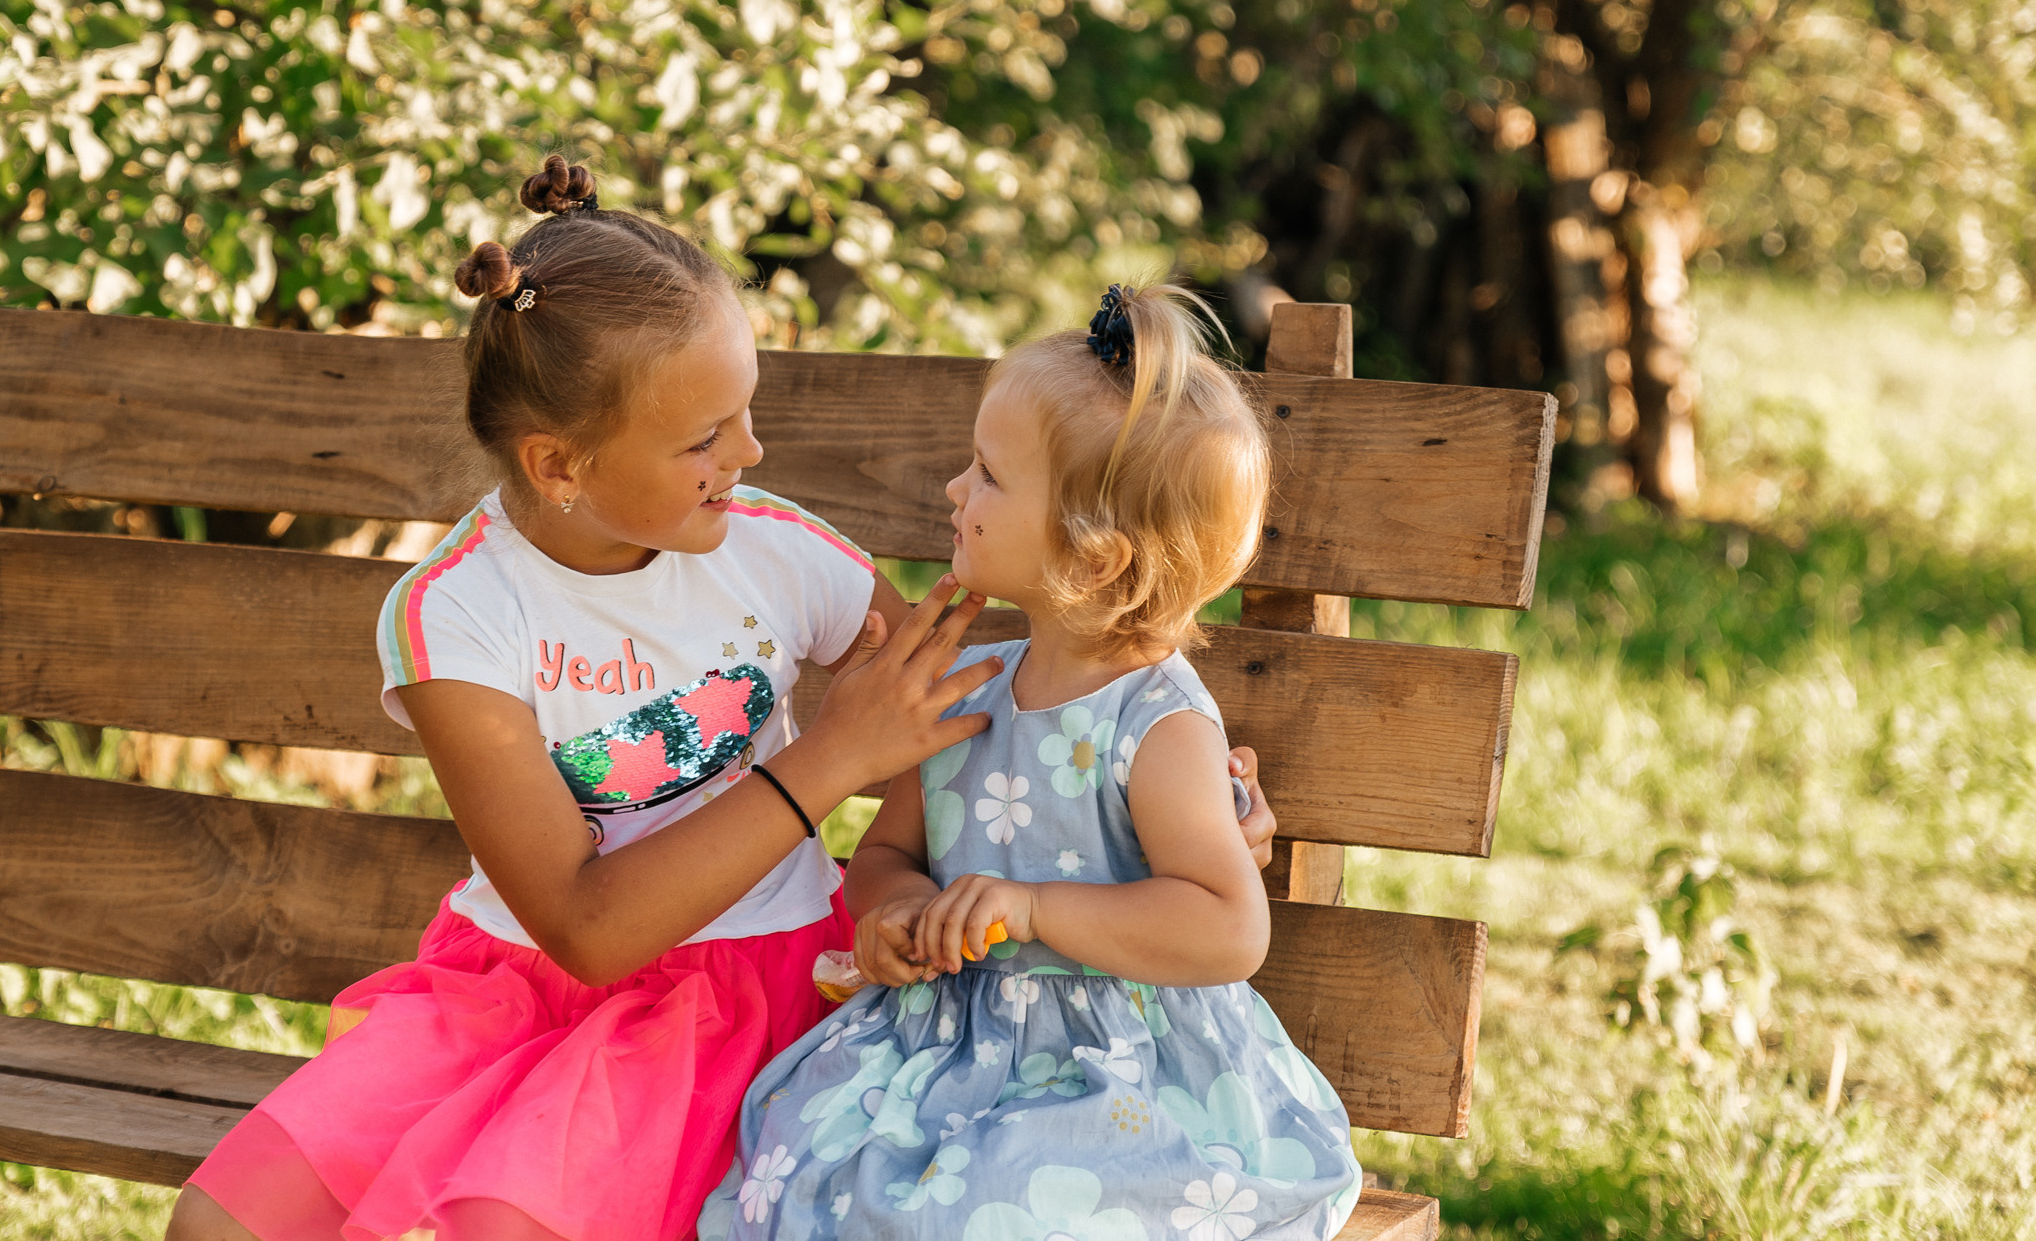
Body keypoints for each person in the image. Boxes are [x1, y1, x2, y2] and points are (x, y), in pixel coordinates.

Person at [167, 163, 1285, 1241]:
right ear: (560, 466)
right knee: (217, 1222)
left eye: (745, 413)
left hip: (737, 991)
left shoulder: (776, 553)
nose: (750, 455)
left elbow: (978, 707)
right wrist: (829, 762)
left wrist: (1199, 809)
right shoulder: (455, 618)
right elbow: (587, 929)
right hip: (511, 986)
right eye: (705, 439)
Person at [703, 282, 1364, 1241]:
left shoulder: (1159, 723)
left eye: (988, 476)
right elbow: (887, 855)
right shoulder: (966, 687)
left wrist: (1032, 910)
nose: (954, 492)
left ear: (1092, 557)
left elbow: (1227, 928)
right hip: (946, 1048)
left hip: (1116, 1070)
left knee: (996, 1208)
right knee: (808, 1174)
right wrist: (889, 915)